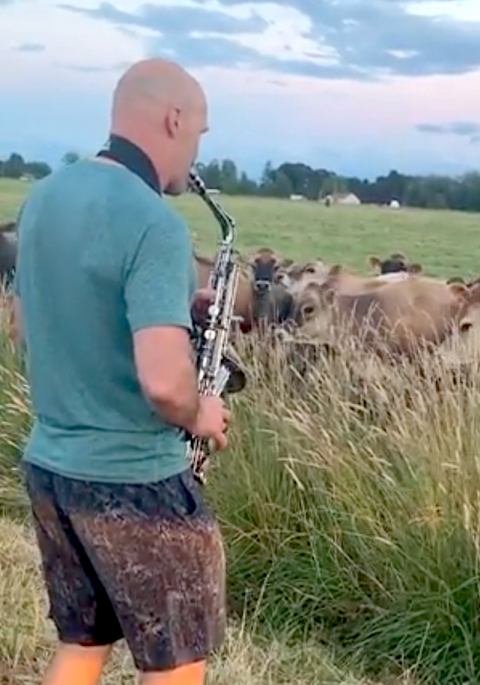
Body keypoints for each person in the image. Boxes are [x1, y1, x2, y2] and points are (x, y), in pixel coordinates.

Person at [11, 58, 231, 685]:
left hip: (53, 470)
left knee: (82, 648)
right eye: (200, 135)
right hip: (135, 484)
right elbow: (165, 386)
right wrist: (202, 412)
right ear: (174, 118)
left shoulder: (45, 197)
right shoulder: (154, 222)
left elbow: (29, 326)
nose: (196, 153)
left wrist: (163, 309)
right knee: (176, 668)